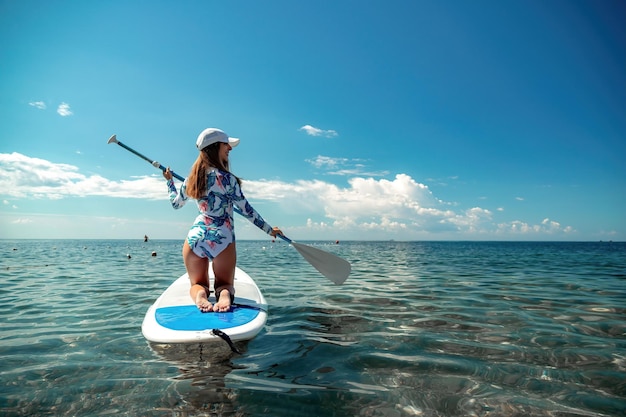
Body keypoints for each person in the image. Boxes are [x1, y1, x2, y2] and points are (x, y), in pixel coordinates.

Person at [163, 128, 282, 313]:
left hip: (196, 238)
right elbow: (247, 210)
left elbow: (176, 204)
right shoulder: (228, 180)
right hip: (222, 238)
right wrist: (269, 230)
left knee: (197, 285)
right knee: (225, 284)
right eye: (226, 144)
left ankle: (201, 295)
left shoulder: (192, 180)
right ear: (216, 146)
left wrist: (170, 182)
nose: (230, 149)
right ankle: (224, 294)